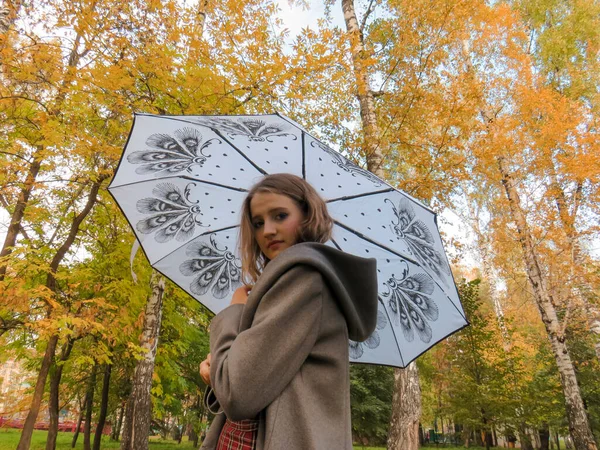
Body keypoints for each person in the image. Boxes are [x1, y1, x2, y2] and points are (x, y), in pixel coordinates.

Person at [198, 173, 378, 450]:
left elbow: (238, 393)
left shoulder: (304, 278)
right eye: (258, 223)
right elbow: (256, 380)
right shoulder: (284, 283)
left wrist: (234, 311)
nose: (267, 230)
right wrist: (218, 373)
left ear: (308, 216)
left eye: (280, 216)